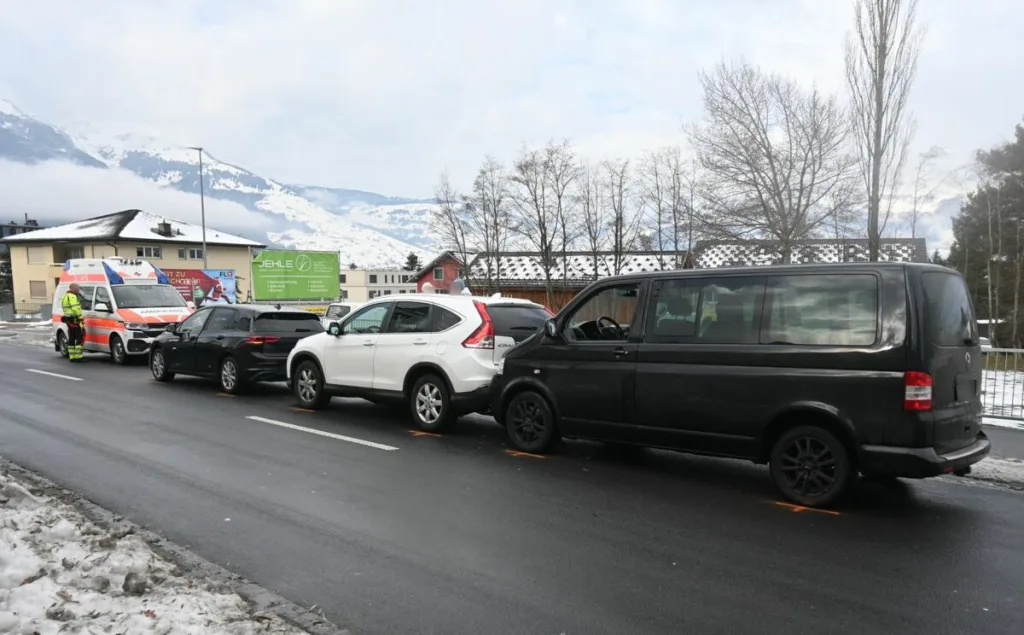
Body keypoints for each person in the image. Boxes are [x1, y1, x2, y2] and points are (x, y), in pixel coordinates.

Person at [61, 283, 86, 363]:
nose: (79, 290)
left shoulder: (65, 295)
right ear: (74, 288)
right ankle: (78, 356)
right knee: (80, 336)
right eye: (78, 288)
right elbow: (75, 308)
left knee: (72, 337)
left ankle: (72, 356)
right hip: (75, 320)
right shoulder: (72, 296)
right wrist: (80, 318)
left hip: (69, 320)